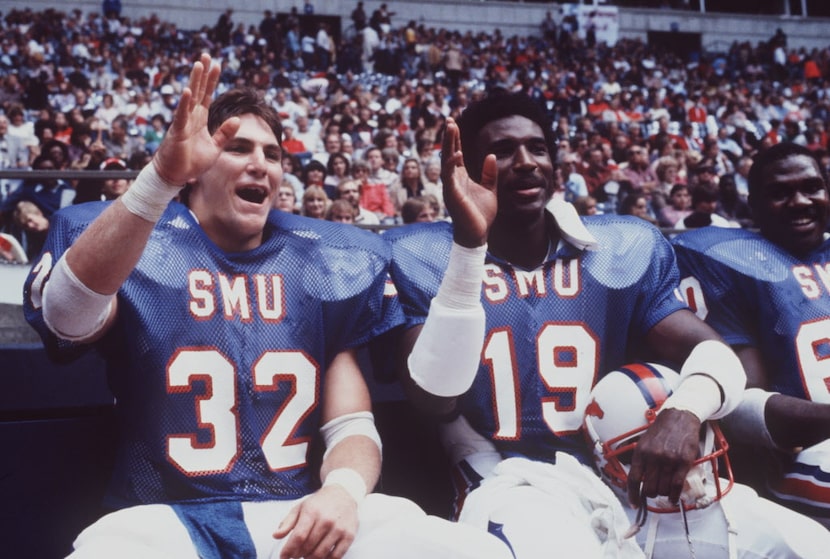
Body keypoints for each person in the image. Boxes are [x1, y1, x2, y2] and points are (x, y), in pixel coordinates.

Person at [22, 53, 511, 559]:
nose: (260, 162)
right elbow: (67, 316)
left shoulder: (325, 263)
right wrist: (158, 181)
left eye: (273, 154)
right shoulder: (141, 242)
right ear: (196, 166)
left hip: (294, 515)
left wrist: (343, 492)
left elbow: (351, 425)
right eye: (236, 148)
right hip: (166, 518)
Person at [385, 91, 830, 558]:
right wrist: (470, 247)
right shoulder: (424, 254)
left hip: (629, 469)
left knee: (804, 546)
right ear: (470, 169)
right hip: (512, 478)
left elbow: (714, 354)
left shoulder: (620, 247)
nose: (525, 162)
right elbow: (434, 399)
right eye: (502, 151)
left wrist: (685, 411)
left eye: (538, 148)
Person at [671, 142, 830, 528]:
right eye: (780, 192)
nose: (800, 201)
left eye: (812, 188)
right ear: (753, 205)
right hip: (804, 454)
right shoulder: (729, 259)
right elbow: (741, 402)